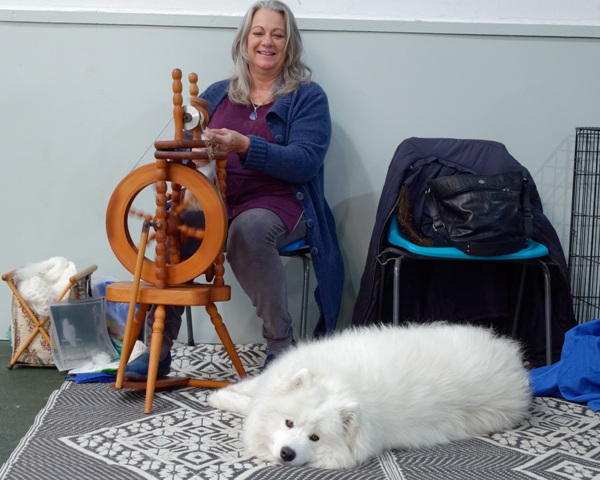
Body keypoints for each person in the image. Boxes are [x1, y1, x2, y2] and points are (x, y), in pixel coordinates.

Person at [126, 0, 344, 379]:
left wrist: (245, 146)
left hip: (283, 205)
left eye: (278, 34)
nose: (267, 42)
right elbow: (187, 147)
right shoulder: (218, 93)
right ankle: (157, 349)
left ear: (289, 44)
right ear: (245, 41)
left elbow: (304, 162)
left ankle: (281, 347)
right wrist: (192, 152)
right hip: (220, 201)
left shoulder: (308, 97)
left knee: (250, 228)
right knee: (175, 225)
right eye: (259, 33)